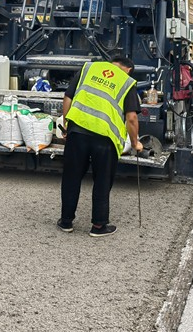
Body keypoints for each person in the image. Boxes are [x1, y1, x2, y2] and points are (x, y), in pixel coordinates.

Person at [58, 56, 143, 237]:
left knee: (71, 178)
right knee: (102, 181)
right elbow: (132, 118)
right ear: (128, 69)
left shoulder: (89, 69)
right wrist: (136, 143)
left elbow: (68, 98)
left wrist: (67, 126)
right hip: (105, 139)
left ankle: (66, 222)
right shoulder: (126, 82)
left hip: (77, 132)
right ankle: (99, 226)